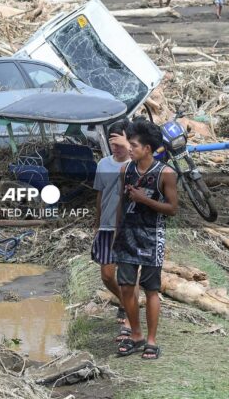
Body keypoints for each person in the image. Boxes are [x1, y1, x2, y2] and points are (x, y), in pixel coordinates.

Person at [113, 120, 178, 360]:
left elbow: (172, 209)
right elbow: (122, 202)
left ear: (147, 149)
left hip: (152, 237)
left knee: (151, 289)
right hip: (127, 236)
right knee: (127, 287)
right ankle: (136, 335)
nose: (129, 148)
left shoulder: (166, 174)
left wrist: (144, 200)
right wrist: (116, 232)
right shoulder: (125, 170)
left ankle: (151, 340)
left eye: (134, 145)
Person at [92, 120, 134, 342]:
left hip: (129, 229)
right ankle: (125, 301)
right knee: (107, 275)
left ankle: (129, 318)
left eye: (120, 142)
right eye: (112, 143)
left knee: (128, 277)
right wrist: (97, 222)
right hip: (107, 227)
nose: (116, 147)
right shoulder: (103, 165)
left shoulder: (136, 166)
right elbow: (100, 195)